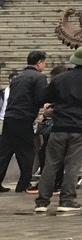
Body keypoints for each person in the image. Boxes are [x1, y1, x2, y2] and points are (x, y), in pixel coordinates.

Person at [33, 46, 82, 214]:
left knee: (51, 164)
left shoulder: (60, 78)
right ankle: (67, 199)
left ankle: (42, 201)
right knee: (73, 165)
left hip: (59, 126)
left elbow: (44, 97)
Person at [0, 50, 48, 192]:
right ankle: (24, 184)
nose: (45, 65)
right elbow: (40, 98)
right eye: (44, 62)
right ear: (39, 62)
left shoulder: (17, 78)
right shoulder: (39, 78)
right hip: (23, 119)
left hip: (10, 118)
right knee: (27, 152)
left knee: (5, 152)